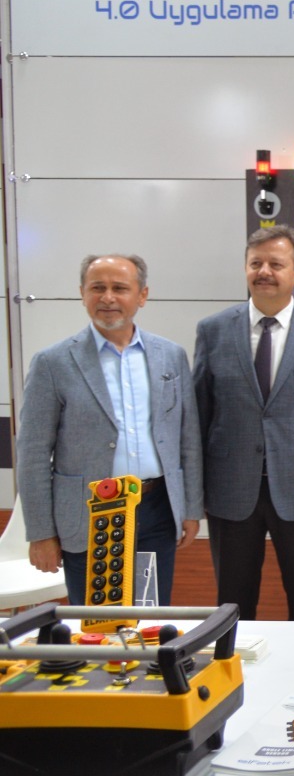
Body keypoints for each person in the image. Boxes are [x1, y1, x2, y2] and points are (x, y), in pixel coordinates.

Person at [17, 254, 203, 606]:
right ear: (82, 294)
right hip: (89, 513)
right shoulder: (53, 363)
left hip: (156, 509)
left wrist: (191, 508)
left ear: (142, 295)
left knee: (150, 612)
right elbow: (33, 454)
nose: (107, 297)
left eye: (119, 288)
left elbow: (187, 439)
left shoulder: (170, 356)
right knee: (96, 621)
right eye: (97, 288)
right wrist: (41, 533)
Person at [193, 226, 294, 620]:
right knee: (233, 604)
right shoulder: (213, 331)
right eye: (256, 263)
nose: (264, 271)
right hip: (231, 490)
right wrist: (194, 494)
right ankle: (234, 660)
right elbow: (198, 416)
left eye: (275, 264)